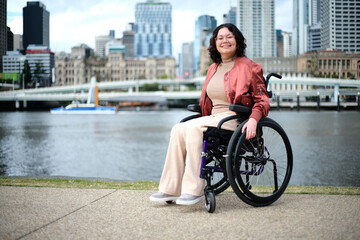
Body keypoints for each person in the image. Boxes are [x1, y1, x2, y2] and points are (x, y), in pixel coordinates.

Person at [150, 23, 270, 205]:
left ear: (237, 40)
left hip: (235, 119)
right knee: (178, 128)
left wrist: (253, 120)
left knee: (193, 128)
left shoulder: (250, 67)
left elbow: (262, 101)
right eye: (220, 38)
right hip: (213, 118)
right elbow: (207, 101)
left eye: (229, 36)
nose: (225, 41)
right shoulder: (213, 68)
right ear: (215, 43)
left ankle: (194, 189)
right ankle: (170, 188)